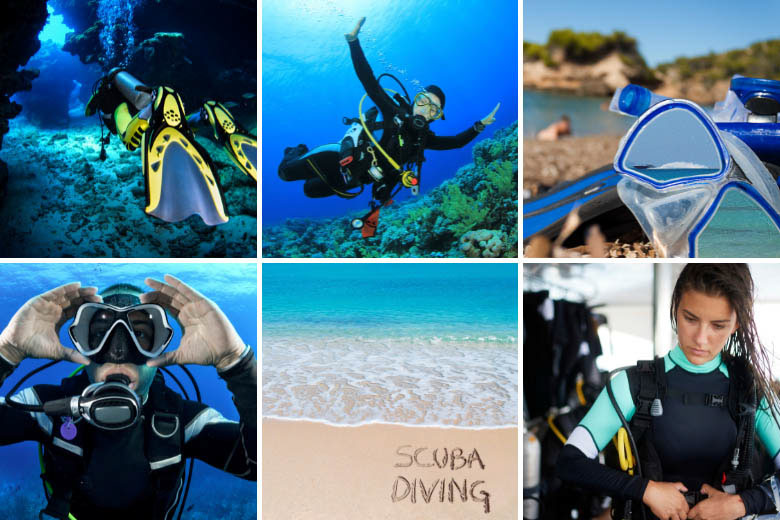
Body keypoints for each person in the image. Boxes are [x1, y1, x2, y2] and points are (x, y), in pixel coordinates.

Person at [0, 277, 256, 520]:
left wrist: (235, 361)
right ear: (81, 343)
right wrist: (6, 351)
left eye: (141, 335)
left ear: (161, 346)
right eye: (100, 335)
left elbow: (258, 464)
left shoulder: (183, 421)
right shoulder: (48, 408)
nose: (119, 351)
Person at [556, 264, 780, 519]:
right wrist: (647, 491)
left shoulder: (751, 390)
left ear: (737, 323)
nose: (701, 338)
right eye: (691, 319)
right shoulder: (633, 385)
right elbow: (569, 462)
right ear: (675, 309)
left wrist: (740, 504)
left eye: (718, 325)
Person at [278, 16, 501, 206]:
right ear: (414, 101)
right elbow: (369, 81)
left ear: (437, 116)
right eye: (423, 102)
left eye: (433, 109)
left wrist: (480, 126)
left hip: (352, 179)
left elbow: (455, 142)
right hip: (337, 156)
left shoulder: (422, 140)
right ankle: (296, 150)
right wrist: (354, 42)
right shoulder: (392, 112)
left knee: (310, 191)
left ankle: (306, 161)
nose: (425, 110)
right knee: (285, 174)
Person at [85, 68, 258, 226]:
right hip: (147, 98)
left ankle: (152, 111)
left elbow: (89, 110)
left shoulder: (105, 92)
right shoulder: (129, 84)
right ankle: (205, 113)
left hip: (134, 111)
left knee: (129, 140)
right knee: (178, 125)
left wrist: (103, 103)